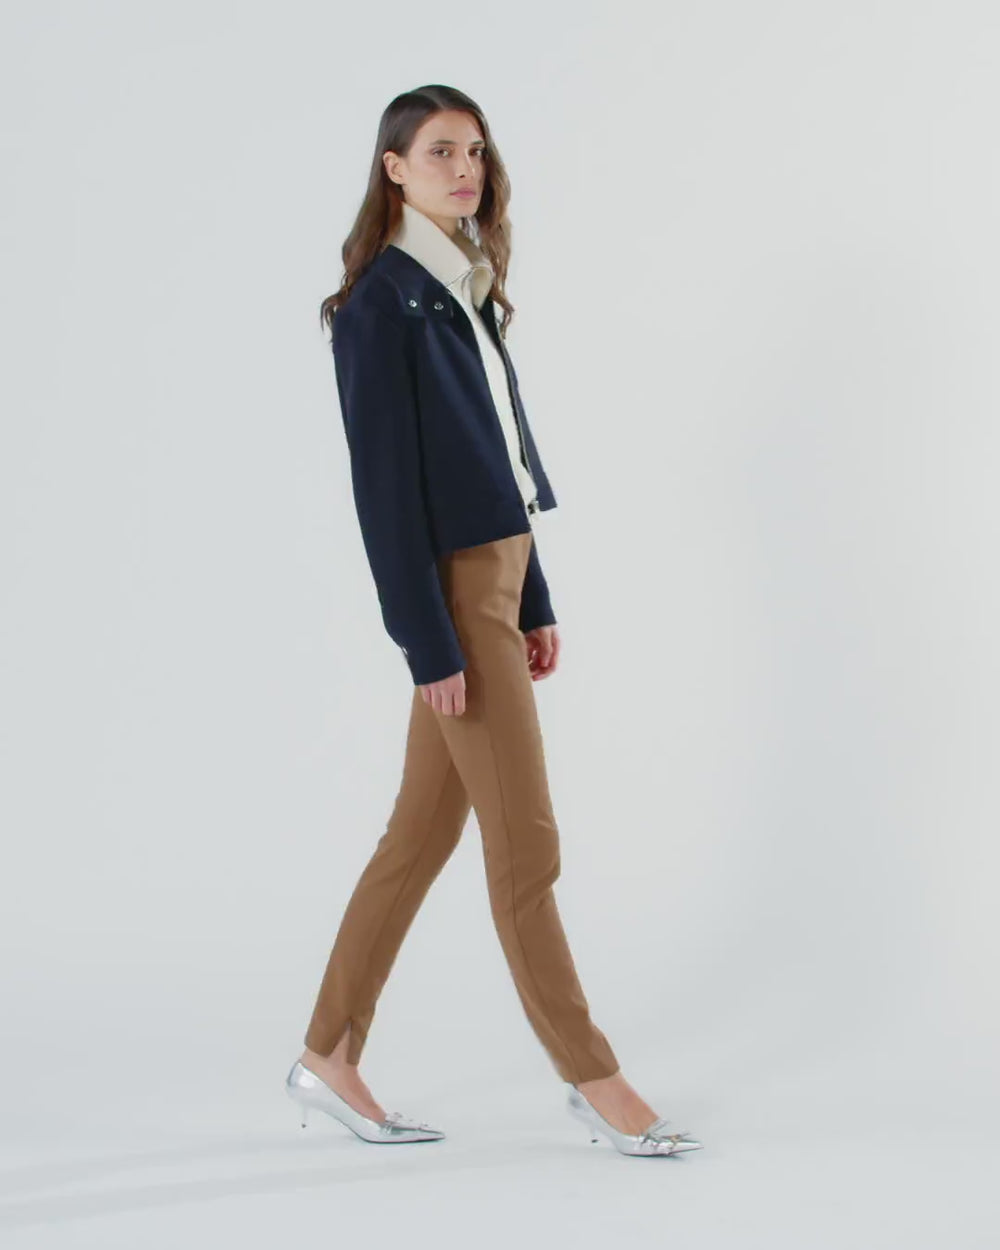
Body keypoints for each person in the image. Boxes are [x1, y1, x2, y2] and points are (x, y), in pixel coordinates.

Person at [284, 84, 703, 1158]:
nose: (464, 169)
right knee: (527, 844)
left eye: (474, 150)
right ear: (393, 168)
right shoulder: (378, 305)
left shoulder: (461, 285)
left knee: (418, 837)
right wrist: (429, 641)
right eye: (439, 151)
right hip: (453, 600)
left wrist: (535, 598)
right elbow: (387, 496)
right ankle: (593, 1077)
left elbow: (496, 466)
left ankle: (327, 1054)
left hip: (499, 582)